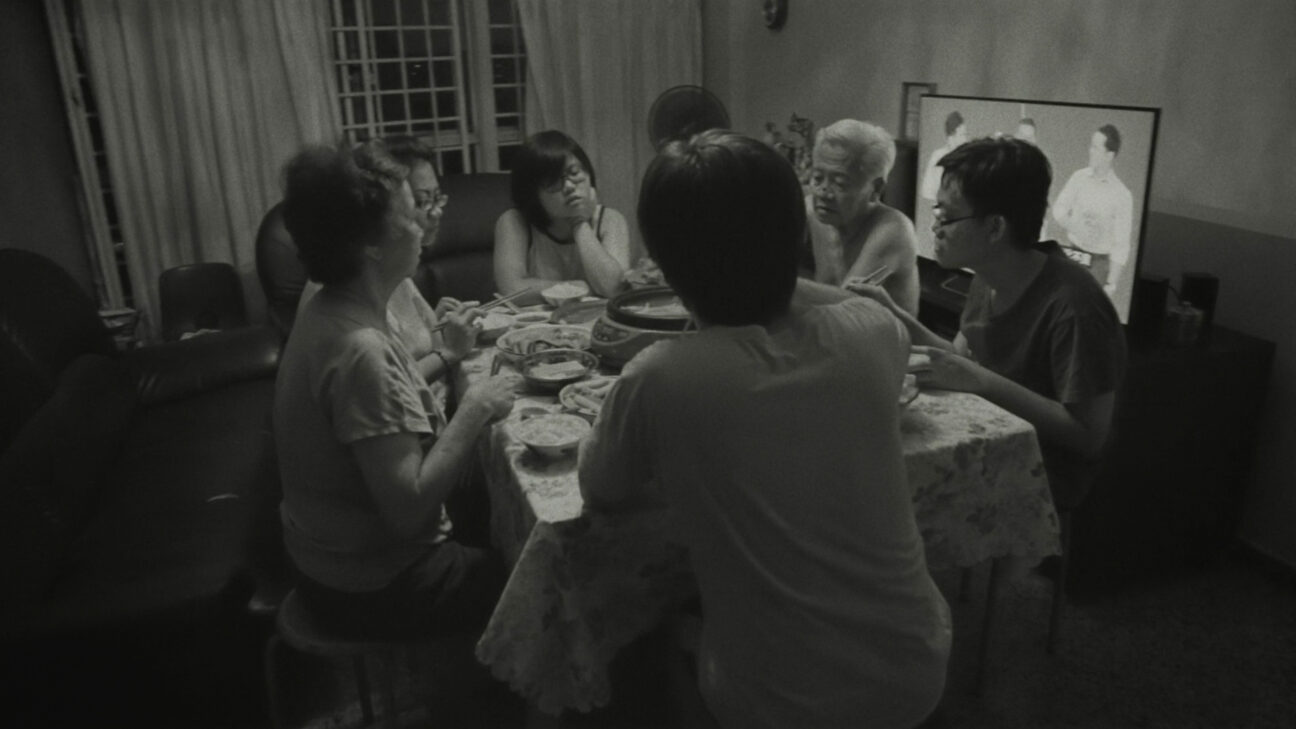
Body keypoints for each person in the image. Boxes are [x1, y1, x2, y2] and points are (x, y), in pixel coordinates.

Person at [579, 130, 950, 729]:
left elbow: (601, 489)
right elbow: (843, 307)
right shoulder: (877, 334)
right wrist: (763, 266)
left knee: (647, 638)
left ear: (667, 265)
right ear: (792, 234)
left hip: (778, 702)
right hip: (916, 667)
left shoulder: (660, 377)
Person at [274, 141, 520, 640]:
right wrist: (474, 408)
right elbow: (409, 511)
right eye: (410, 215)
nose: (422, 228)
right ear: (370, 244)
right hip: (369, 581)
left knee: (497, 497)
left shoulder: (333, 307)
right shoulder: (359, 349)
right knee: (541, 580)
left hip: (329, 555)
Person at [851, 136, 1127, 512]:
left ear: (995, 228)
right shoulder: (987, 275)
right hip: (988, 439)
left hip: (1040, 476)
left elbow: (1089, 436)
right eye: (936, 211)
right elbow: (958, 359)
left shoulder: (1075, 306)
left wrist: (981, 380)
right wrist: (890, 312)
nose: (935, 226)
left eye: (947, 216)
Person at [297, 137, 478, 388]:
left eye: (437, 197)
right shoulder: (347, 297)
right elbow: (386, 382)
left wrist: (435, 325)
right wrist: (451, 353)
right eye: (418, 204)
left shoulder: (390, 272)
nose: (434, 213)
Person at [493, 130, 632, 303]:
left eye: (575, 173)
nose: (569, 186)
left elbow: (614, 288)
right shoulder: (514, 221)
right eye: (553, 181)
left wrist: (579, 223)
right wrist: (581, 287)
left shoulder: (610, 219)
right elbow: (511, 289)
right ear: (532, 194)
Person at [804, 119, 921, 315]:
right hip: (830, 327)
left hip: (875, 333)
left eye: (839, 184)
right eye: (817, 178)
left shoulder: (894, 229)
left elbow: (844, 307)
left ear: (876, 188)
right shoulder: (813, 209)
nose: (823, 192)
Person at [1051, 124, 1134, 296]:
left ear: (1109, 155)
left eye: (1096, 148)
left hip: (1099, 263)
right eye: (1091, 146)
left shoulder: (1122, 195)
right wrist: (1074, 226)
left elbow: (1121, 245)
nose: (1090, 151)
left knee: (1087, 308)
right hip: (1073, 253)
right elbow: (1059, 208)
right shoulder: (1078, 178)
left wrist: (1111, 284)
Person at [920, 110, 967, 202]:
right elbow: (927, 190)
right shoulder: (937, 156)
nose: (965, 140)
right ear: (951, 137)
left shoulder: (967, 158)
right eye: (962, 135)